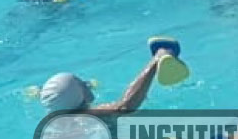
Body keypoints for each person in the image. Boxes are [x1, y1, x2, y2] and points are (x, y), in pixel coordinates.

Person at [37, 44, 182, 117]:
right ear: (76, 95)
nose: (87, 84)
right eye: (81, 84)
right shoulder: (84, 117)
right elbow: (125, 106)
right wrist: (156, 60)